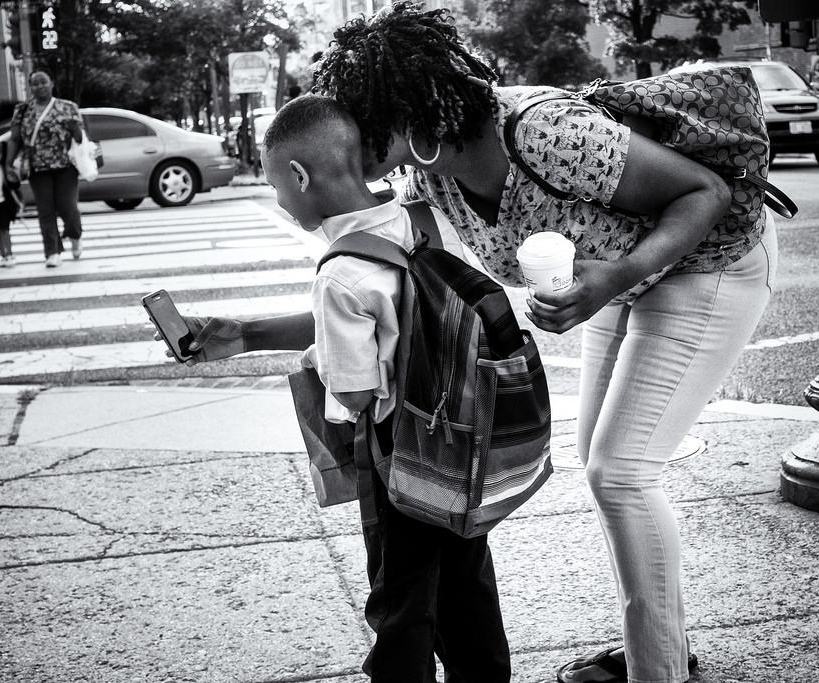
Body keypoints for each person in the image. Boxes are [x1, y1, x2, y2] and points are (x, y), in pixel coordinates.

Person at [169, 4, 777, 682]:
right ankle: (659, 641)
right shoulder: (427, 180)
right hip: (621, 277)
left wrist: (611, 281)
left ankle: (657, 670)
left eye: (361, 121)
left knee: (621, 469)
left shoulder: (540, 132)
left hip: (708, 260)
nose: (350, 140)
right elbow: (394, 296)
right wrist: (247, 333)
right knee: (603, 463)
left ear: (401, 113)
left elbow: (707, 190)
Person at [265, 93, 515, 682]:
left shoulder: (338, 274)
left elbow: (353, 393)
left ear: (299, 177)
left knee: (401, 596)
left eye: (276, 186)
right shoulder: (421, 218)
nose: (278, 198)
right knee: (467, 578)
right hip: (459, 439)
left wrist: (318, 356)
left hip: (398, 454)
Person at [5, 71, 84, 268]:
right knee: (46, 210)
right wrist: (8, 163)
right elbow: (15, 138)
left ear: (51, 83)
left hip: (65, 166)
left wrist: (74, 128)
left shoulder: (68, 107)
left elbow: (80, 139)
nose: (39, 86)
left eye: (43, 82)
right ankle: (52, 251)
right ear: (30, 87)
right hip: (37, 168)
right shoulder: (23, 110)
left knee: (68, 208)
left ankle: (74, 235)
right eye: (35, 84)